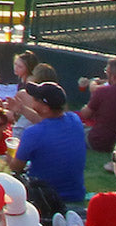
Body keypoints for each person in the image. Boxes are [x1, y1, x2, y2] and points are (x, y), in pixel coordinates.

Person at [13, 81, 88, 210]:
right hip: (76, 196)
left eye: (35, 98)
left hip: (43, 198)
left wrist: (10, 149)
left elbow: (14, 168)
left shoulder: (32, 134)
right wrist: (22, 110)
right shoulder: (74, 120)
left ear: (45, 107)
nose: (32, 99)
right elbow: (49, 123)